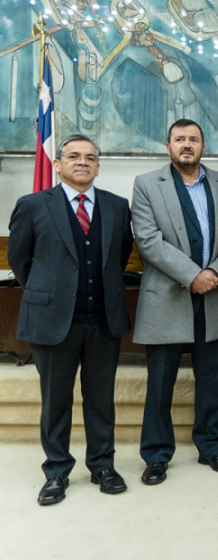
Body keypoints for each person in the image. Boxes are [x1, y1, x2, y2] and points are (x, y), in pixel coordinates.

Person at [8, 134, 133, 505]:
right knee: (56, 400)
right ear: (58, 164)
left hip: (103, 322)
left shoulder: (117, 206)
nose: (83, 162)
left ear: (97, 166)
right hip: (53, 322)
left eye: (90, 157)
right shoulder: (32, 205)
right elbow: (20, 260)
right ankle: (56, 472)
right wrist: (49, 296)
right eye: (74, 156)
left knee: (101, 400)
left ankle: (102, 465)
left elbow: (120, 255)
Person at [132, 118, 218, 486]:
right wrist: (193, 274)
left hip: (214, 297)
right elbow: (148, 241)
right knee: (160, 383)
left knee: (211, 380)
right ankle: (157, 455)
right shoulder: (147, 184)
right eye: (180, 139)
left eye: (194, 139)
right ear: (169, 146)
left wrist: (215, 274)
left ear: (203, 146)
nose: (187, 145)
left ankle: (211, 447)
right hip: (167, 298)